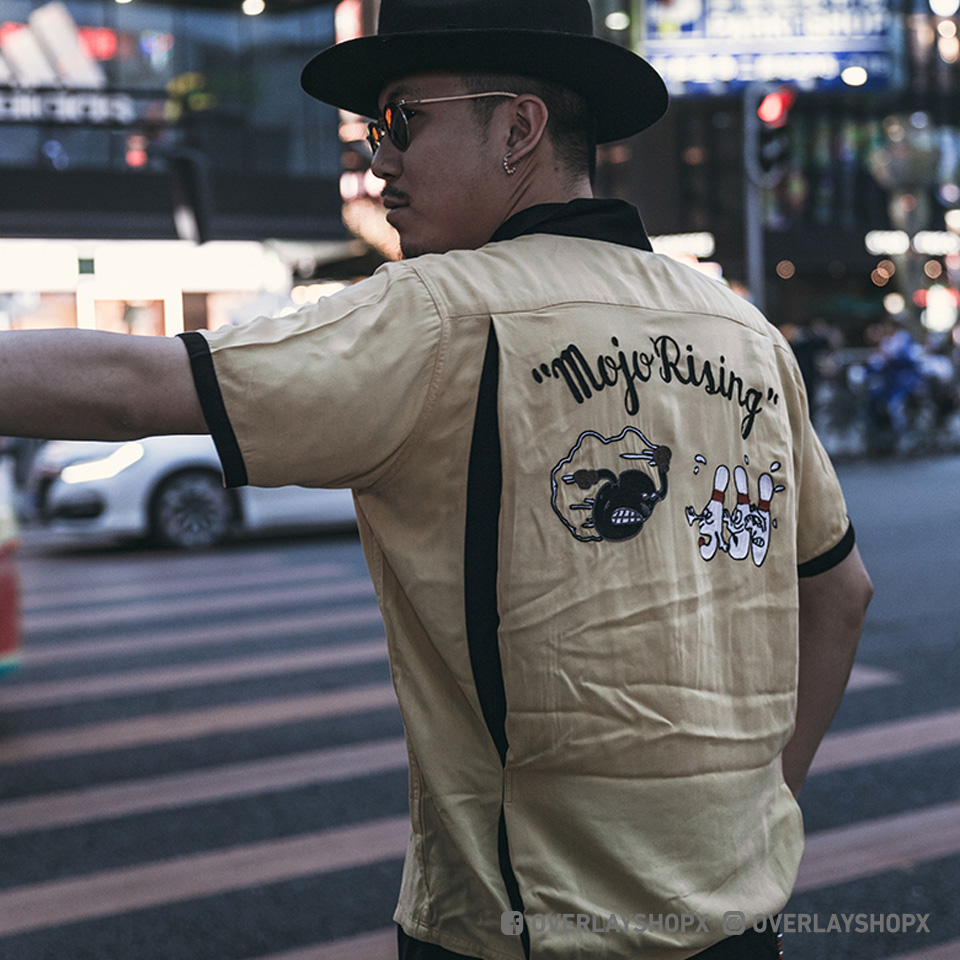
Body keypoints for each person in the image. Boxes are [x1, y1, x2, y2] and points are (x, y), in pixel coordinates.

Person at [0, 1, 872, 958]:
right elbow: (838, 592)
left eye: (401, 120)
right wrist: (763, 809)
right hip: (742, 918)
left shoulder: (438, 315)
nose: (379, 160)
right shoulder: (744, 334)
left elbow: (135, 391)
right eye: (373, 130)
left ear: (519, 128)